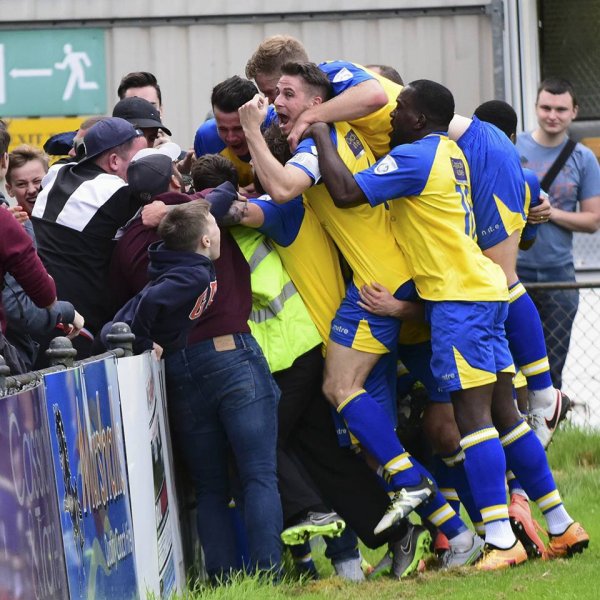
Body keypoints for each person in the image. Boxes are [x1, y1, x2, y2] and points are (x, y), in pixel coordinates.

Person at [308, 78, 589, 568]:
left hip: (459, 302)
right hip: (484, 293)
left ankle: (500, 541)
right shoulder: (451, 152)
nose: (390, 116)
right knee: (506, 419)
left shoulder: (415, 157)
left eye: (399, 111)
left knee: (473, 422)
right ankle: (562, 524)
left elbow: (347, 191)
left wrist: (320, 129)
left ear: (417, 120)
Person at [240, 63, 484, 569]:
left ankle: (433, 499)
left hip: (378, 285)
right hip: (388, 283)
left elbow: (285, 188)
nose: (278, 101)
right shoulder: (340, 130)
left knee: (343, 390)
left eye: (288, 93)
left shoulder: (313, 145)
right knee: (372, 430)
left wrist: (250, 132)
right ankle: (454, 525)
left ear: (315, 99)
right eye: (274, 94)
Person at [109, 150, 283, 582]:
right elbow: (223, 194)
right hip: (230, 354)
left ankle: (222, 579)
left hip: (178, 367)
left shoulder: (131, 240)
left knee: (209, 486)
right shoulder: (197, 220)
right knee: (258, 474)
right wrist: (177, 201)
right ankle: (269, 576)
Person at [31, 117, 147, 359]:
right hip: (79, 326)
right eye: (138, 162)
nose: (142, 169)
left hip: (37, 309)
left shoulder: (55, 173)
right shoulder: (119, 191)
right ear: (114, 161)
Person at [516, 77, 600, 390]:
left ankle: (546, 432)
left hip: (560, 272)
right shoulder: (514, 147)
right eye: (546, 107)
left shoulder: (583, 158)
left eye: (561, 109)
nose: (553, 115)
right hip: (513, 271)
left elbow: (593, 220)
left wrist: (551, 212)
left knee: (552, 368)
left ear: (574, 112)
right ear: (535, 108)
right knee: (511, 365)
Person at [245, 34, 401, 156]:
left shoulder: (329, 71)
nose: (273, 102)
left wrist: (307, 117)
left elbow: (376, 95)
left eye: (272, 92)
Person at [3, 145, 84, 369]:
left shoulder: (72, 220)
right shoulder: (14, 227)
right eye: (21, 184)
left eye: (37, 181)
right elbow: (18, 308)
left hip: (61, 340)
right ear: (9, 189)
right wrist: (64, 311)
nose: (32, 190)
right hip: (21, 349)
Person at [103, 199, 219, 354]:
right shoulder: (195, 276)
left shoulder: (189, 267)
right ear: (206, 241)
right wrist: (142, 341)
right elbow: (151, 299)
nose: (220, 230)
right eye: (216, 225)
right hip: (121, 341)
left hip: (124, 339)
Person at [193, 76, 272, 191]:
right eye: (223, 129)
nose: (231, 137)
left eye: (238, 128)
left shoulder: (276, 126)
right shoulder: (206, 137)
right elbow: (207, 192)